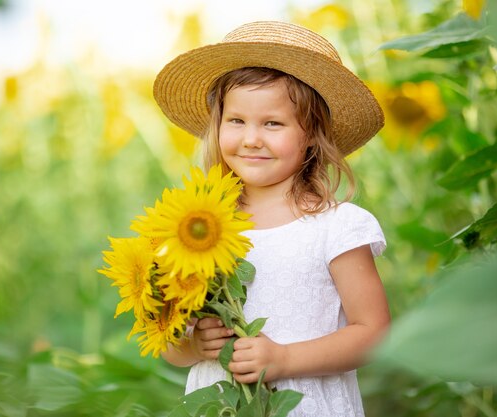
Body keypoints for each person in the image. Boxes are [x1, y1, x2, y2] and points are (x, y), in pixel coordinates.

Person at [153, 21, 390, 416]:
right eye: (237, 121)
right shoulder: (198, 227)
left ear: (313, 132)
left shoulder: (336, 226)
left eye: (272, 123)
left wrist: (283, 360)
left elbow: (374, 334)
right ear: (218, 125)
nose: (251, 139)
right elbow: (167, 342)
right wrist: (193, 345)